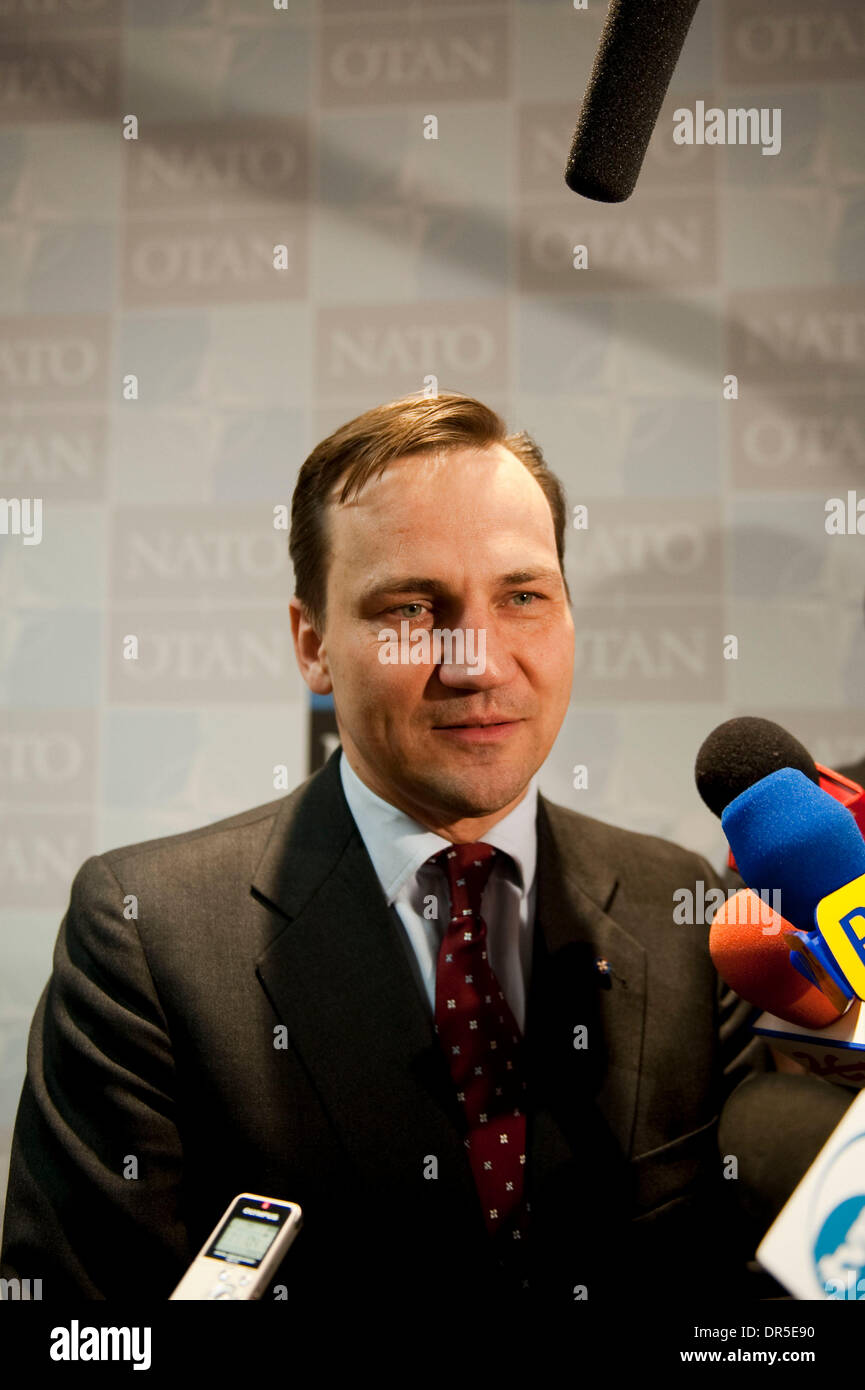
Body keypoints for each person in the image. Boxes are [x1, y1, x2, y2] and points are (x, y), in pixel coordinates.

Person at [0, 392, 843, 1311]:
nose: (477, 661)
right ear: (313, 645)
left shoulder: (678, 905)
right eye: (412, 607)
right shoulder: (145, 934)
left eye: (521, 597)